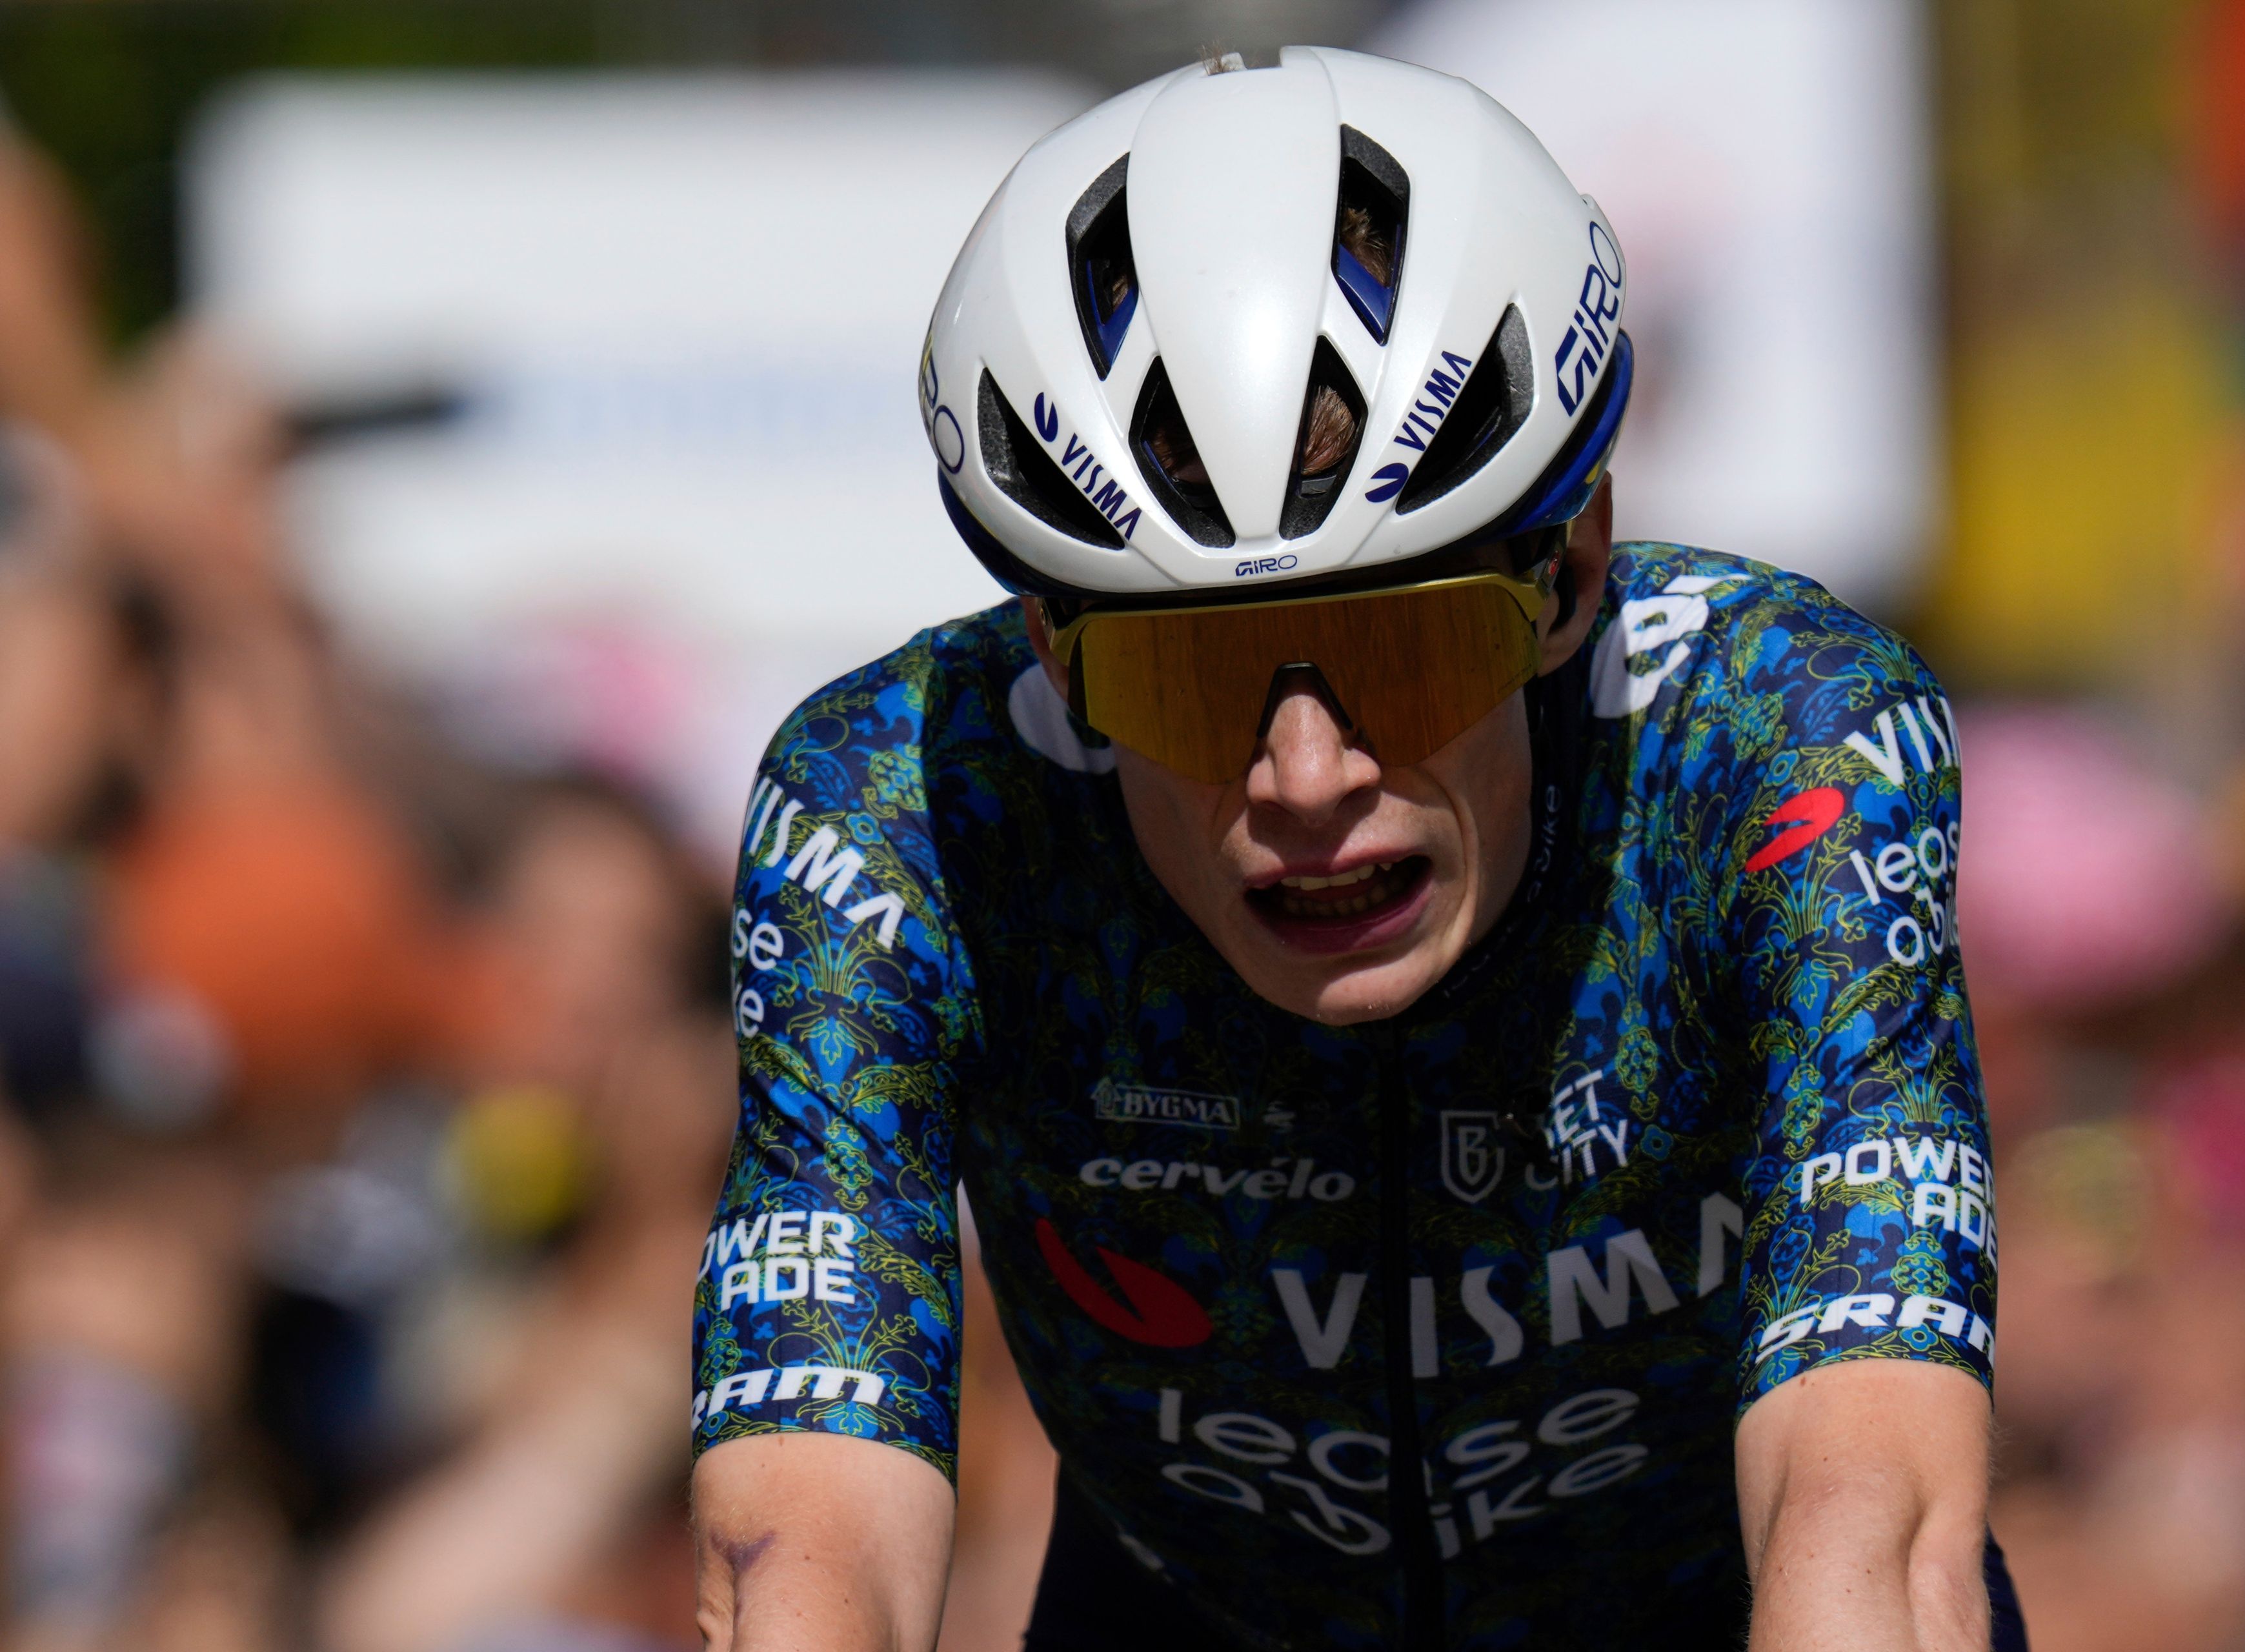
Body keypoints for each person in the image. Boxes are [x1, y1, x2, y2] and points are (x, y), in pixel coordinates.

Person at [689, 46, 2018, 1652]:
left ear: (1569, 570)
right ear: (1050, 647)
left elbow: (1870, 1520)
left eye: (1403, 652)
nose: (1308, 776)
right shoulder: (903, 809)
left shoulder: (1776, 743)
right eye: (1183, 677)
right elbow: (809, 1547)